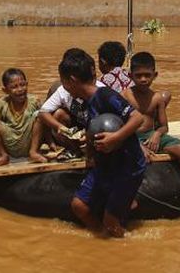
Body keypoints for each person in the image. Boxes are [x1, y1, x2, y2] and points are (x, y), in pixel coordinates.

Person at [58, 47, 145, 238]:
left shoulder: (106, 95)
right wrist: (89, 147)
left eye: (63, 82)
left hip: (126, 166)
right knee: (79, 206)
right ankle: (102, 238)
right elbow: (95, 127)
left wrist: (116, 137)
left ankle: (121, 245)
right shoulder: (87, 101)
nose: (63, 87)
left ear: (71, 80)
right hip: (106, 165)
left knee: (111, 221)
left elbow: (137, 118)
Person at [128, 51, 180, 220]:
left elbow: (164, 126)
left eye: (147, 75)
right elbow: (119, 126)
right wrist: (137, 145)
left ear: (155, 75)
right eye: (138, 76)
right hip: (131, 137)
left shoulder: (157, 98)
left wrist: (157, 134)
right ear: (131, 76)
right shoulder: (125, 96)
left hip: (151, 135)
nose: (143, 79)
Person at [0, 68, 47, 166]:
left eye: (23, 85)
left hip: (29, 142)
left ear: (27, 84)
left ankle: (33, 152)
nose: (20, 89)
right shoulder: (2, 104)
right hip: (11, 143)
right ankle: (4, 156)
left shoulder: (34, 101)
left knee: (40, 115)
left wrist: (51, 143)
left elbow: (45, 123)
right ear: (5, 90)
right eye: (14, 87)